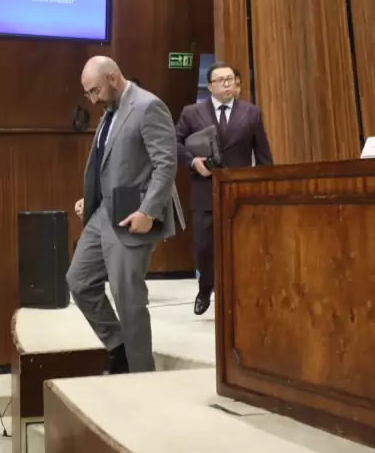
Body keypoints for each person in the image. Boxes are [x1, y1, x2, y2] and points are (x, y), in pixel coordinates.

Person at [68, 56, 183, 374]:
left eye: (95, 91)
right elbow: (111, 164)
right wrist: (91, 198)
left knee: (128, 298)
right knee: (79, 281)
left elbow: (165, 165)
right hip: (104, 211)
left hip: (133, 212)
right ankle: (119, 347)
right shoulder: (110, 111)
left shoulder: (148, 107)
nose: (92, 100)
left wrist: (148, 211)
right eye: (88, 94)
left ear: (113, 78)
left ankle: (141, 374)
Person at [175, 62, 273, 315]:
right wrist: (193, 162)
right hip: (204, 190)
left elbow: (263, 154)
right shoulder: (192, 112)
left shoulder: (251, 113)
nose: (227, 84)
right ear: (210, 86)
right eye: (221, 80)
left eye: (230, 79)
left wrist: (265, 188)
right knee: (204, 246)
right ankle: (205, 288)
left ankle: (239, 295)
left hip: (239, 191)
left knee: (240, 245)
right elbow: (174, 143)